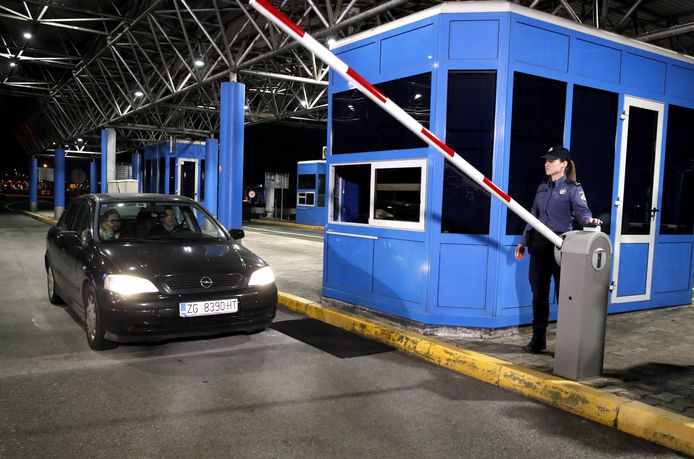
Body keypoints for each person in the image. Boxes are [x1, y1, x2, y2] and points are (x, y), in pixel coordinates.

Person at [514, 146, 602, 353]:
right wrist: (523, 241)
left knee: (565, 295)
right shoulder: (541, 188)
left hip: (561, 247)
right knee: (539, 295)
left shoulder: (573, 189)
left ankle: (567, 344)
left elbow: (582, 211)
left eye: (552, 160)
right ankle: (538, 338)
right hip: (538, 246)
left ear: (564, 163)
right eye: (546, 160)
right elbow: (533, 216)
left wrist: (588, 221)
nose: (546, 163)